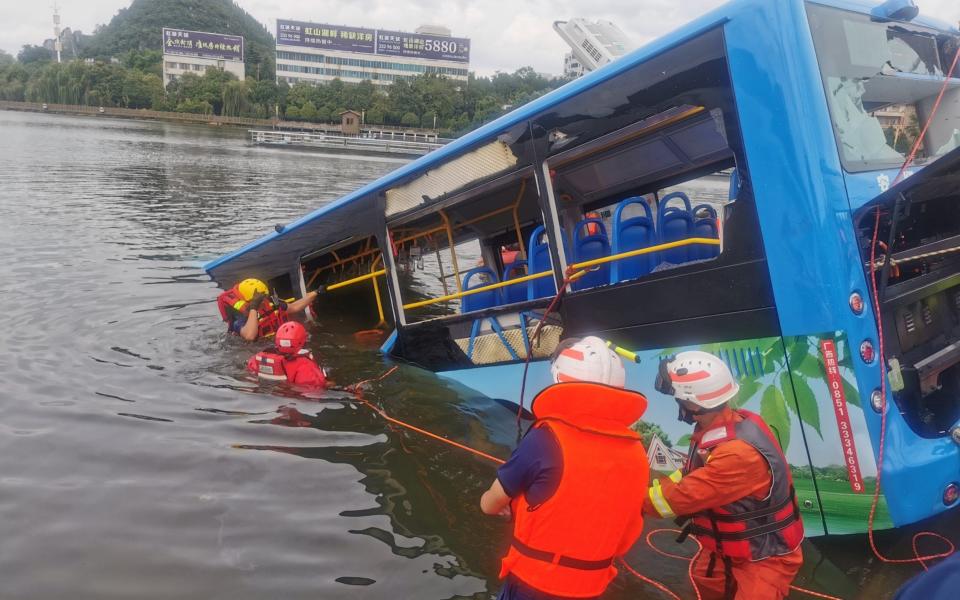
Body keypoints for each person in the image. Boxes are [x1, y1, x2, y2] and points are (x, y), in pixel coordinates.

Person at [479, 336, 650, 599]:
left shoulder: (545, 438)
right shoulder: (637, 451)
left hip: (533, 585)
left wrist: (503, 503)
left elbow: (489, 504)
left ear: (560, 379)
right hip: (591, 588)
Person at [646, 351, 804, 600]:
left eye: (678, 399)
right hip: (726, 552)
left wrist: (631, 500)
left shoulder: (736, 455)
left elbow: (678, 498)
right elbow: (690, 474)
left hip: (763, 558)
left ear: (693, 404)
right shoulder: (720, 428)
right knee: (704, 583)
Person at [216, 278, 323, 341]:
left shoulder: (270, 303)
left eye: (264, 298)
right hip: (257, 349)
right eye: (259, 300)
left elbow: (294, 307)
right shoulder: (240, 318)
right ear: (249, 301)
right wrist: (254, 307)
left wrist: (315, 293)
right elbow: (249, 336)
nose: (264, 302)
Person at [246, 321, 327, 388]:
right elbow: (314, 388)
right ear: (302, 341)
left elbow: (250, 372)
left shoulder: (258, 358)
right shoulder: (304, 364)